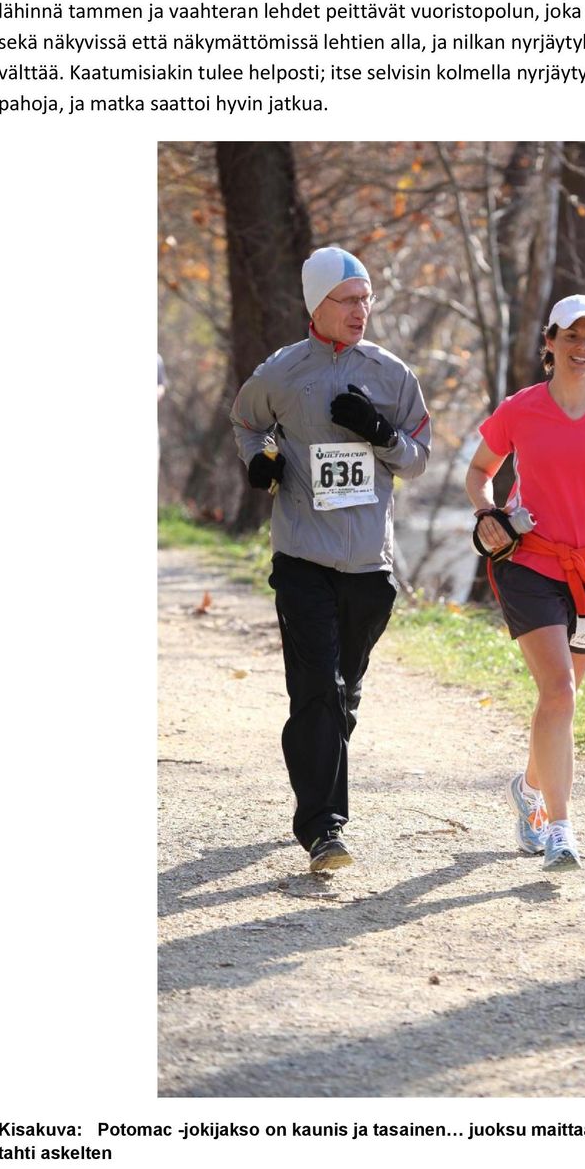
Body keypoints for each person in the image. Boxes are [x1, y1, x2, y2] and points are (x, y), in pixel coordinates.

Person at [230, 246, 431, 872]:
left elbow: (419, 458)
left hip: (370, 565)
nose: (361, 310)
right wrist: (261, 460)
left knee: (339, 695)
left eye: (366, 298)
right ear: (317, 305)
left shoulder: (391, 374)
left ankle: (320, 760)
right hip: (302, 557)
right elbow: (246, 423)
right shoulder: (282, 373)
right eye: (348, 300)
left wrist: (381, 434)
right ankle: (324, 829)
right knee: (316, 687)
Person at [464, 294, 585, 872]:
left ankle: (529, 789)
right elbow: (480, 472)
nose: (582, 348)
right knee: (558, 692)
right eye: (570, 337)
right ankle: (560, 828)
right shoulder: (521, 409)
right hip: (529, 563)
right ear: (548, 343)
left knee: (563, 701)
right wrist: (487, 513)